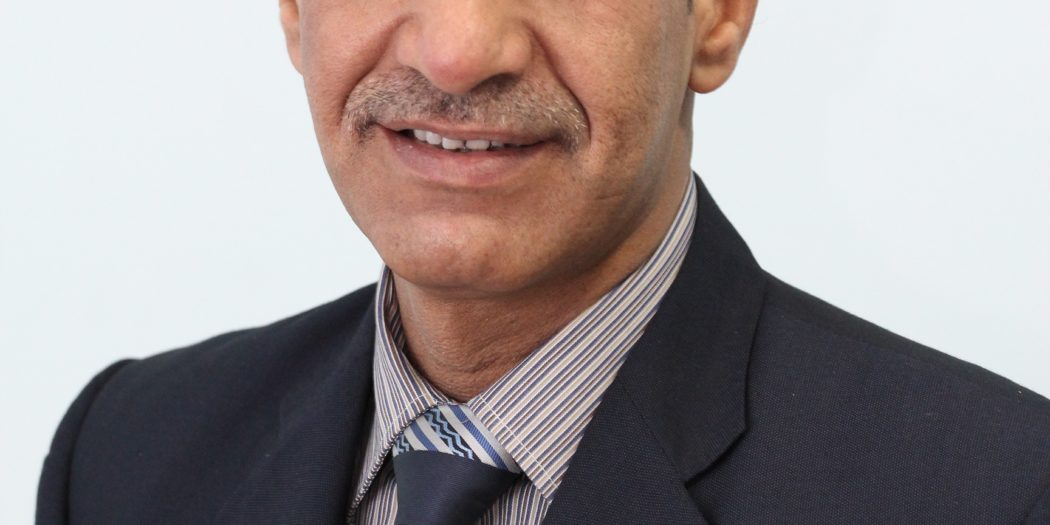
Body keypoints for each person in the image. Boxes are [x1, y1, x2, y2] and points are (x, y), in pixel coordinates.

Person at [37, 0, 1050, 523]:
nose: (458, 49)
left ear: (717, 16)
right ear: (296, 10)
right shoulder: (126, 460)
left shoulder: (995, 496)